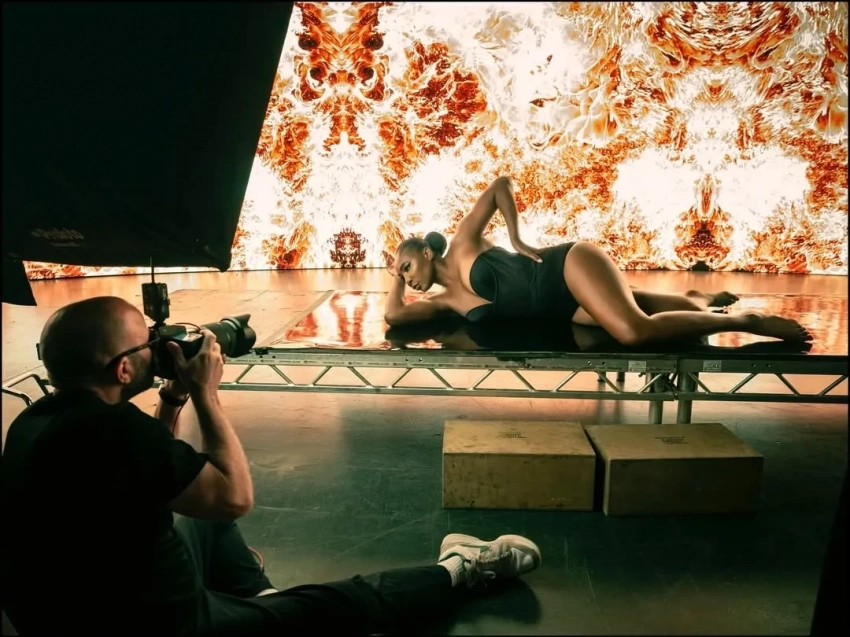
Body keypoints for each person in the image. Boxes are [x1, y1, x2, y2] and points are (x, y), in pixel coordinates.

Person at [2, 296, 542, 635]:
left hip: (71, 612)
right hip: (166, 624)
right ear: (123, 370)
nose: (159, 346)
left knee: (201, 521)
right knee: (336, 603)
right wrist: (206, 394)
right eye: (148, 342)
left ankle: (265, 606)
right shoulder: (116, 430)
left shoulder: (35, 421)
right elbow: (234, 496)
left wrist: (171, 401)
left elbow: (155, 474)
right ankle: (462, 568)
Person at [385, 176, 813, 345]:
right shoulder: (445, 301)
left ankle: (748, 323)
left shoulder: (463, 242)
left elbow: (501, 186)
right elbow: (395, 316)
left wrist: (515, 237)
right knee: (642, 306)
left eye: (407, 267)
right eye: (401, 275)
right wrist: (394, 277)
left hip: (567, 266)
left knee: (633, 331)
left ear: (427, 252)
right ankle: (696, 299)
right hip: (567, 307)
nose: (408, 279)